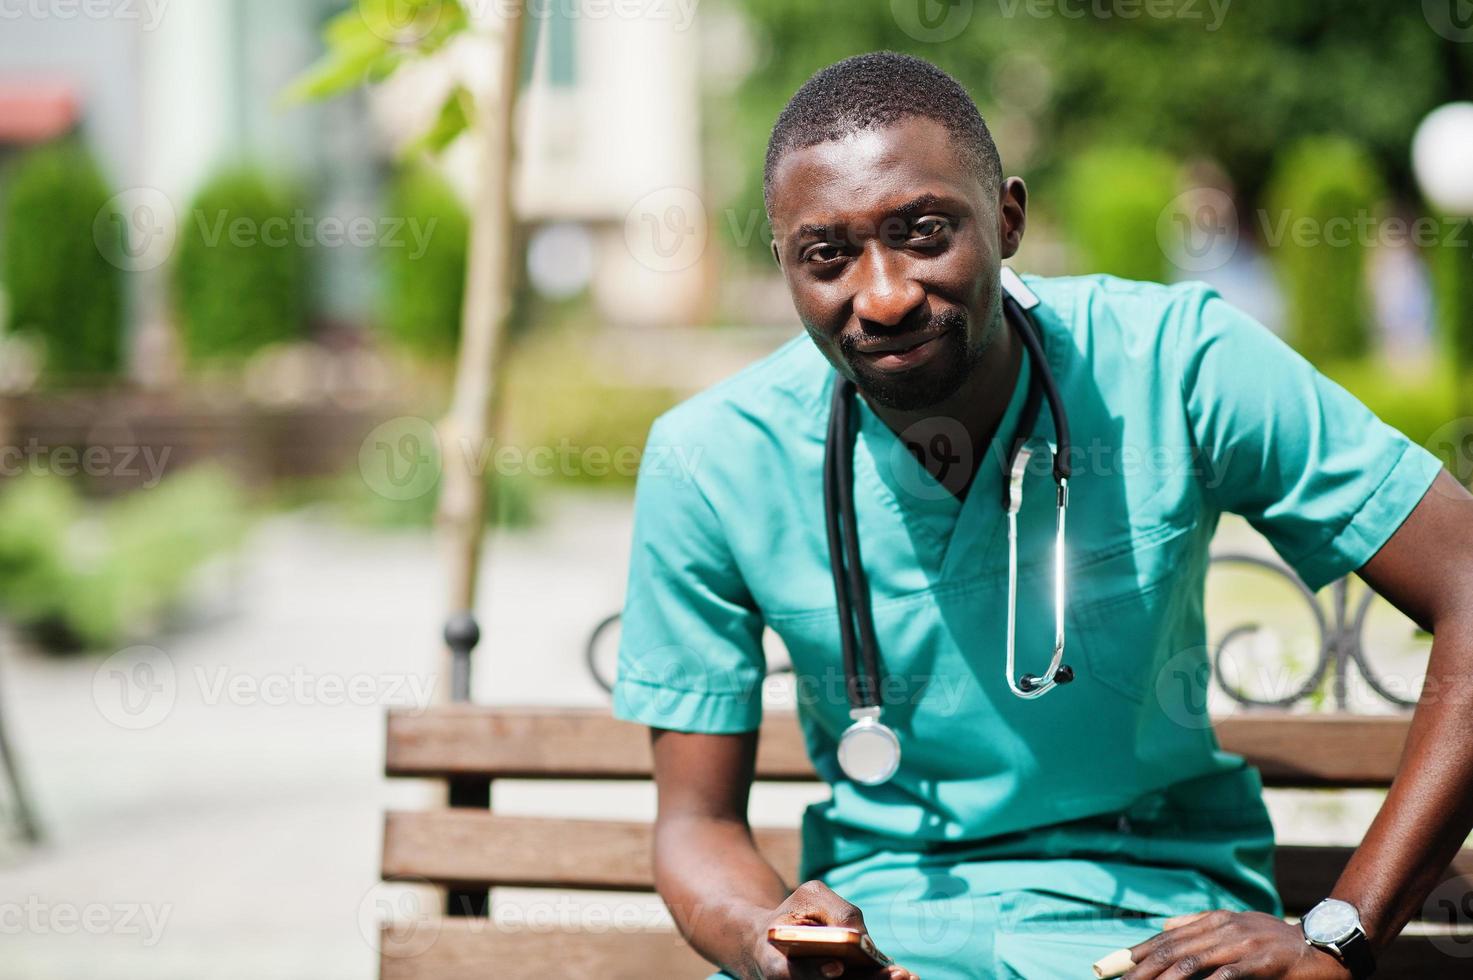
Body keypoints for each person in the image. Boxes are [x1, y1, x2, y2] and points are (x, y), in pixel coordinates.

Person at [612, 51, 1473, 979]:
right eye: (827, 255)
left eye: (925, 232)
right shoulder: (711, 459)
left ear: (1008, 219)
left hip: (1158, 928)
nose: (886, 294)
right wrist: (767, 941)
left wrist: (1340, 932)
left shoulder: (1179, 366)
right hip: (889, 934)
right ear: (782, 262)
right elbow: (695, 824)